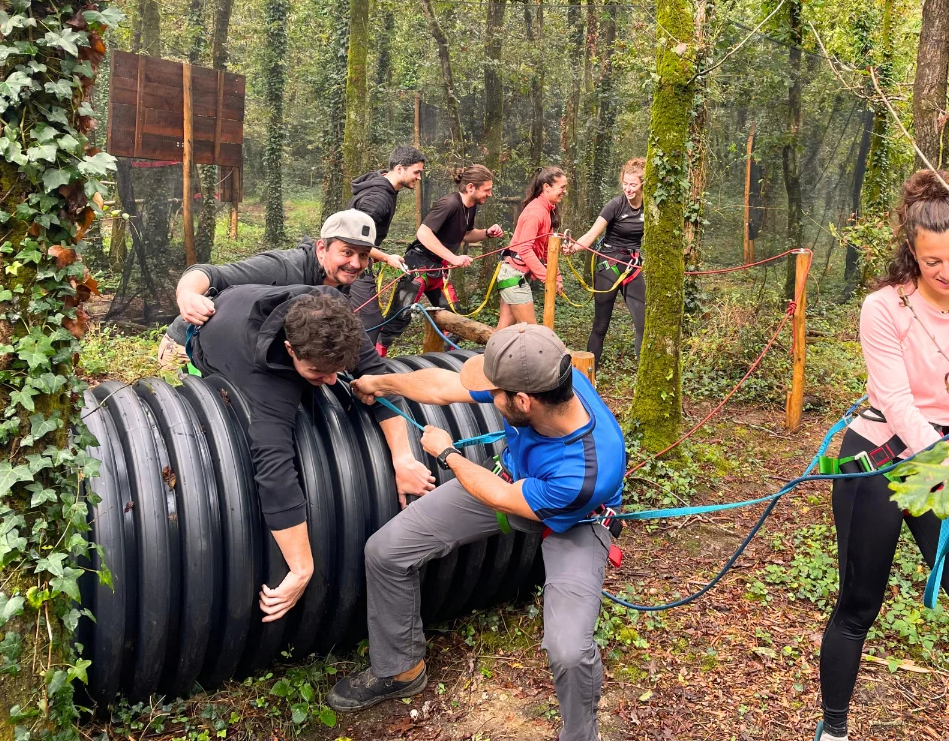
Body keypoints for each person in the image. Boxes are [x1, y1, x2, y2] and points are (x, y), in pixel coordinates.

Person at [328, 324, 625, 741]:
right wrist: (381, 382)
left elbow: (503, 499)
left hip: (576, 519)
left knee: (569, 650)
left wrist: (448, 454)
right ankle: (400, 669)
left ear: (522, 401)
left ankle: (580, 736)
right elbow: (444, 386)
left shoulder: (587, 471)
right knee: (386, 550)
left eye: (495, 392)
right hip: (512, 481)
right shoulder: (543, 379)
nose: (489, 395)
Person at [813, 170, 949, 741]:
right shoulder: (885, 307)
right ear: (912, 251)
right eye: (934, 261)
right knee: (859, 604)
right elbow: (896, 401)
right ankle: (834, 729)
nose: (948, 272)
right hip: (881, 457)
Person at [188, 285, 435, 621]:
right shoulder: (266, 380)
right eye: (319, 372)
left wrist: (402, 458)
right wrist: (301, 567)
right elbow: (274, 470)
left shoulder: (337, 317)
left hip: (249, 302)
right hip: (211, 336)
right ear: (290, 349)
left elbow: (379, 378)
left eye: (337, 371)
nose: (333, 381)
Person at [156, 209, 379, 364]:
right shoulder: (282, 268)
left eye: (363, 255)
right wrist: (187, 294)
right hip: (188, 347)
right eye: (347, 252)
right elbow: (210, 273)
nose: (355, 264)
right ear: (322, 248)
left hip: (249, 348)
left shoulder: (340, 281)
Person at [378, 164, 504, 348]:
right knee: (398, 319)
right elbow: (423, 233)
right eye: (487, 190)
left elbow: (466, 234)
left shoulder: (470, 207)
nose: (490, 194)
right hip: (419, 267)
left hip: (438, 270)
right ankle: (374, 360)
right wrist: (454, 258)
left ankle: (443, 361)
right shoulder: (450, 203)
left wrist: (487, 233)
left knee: (454, 322)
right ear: (471, 187)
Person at [347, 145, 426, 351]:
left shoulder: (382, 183)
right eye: (416, 172)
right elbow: (353, 240)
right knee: (370, 319)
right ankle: (359, 364)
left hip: (356, 258)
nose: (419, 177)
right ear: (399, 168)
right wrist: (385, 257)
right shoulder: (378, 199)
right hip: (349, 261)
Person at [569, 157, 645, 364]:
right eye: (625, 183)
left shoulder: (649, 207)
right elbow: (592, 234)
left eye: (633, 185)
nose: (628, 189)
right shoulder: (615, 205)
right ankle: (589, 374)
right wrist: (574, 248)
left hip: (632, 266)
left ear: (642, 185)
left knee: (643, 324)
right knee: (601, 324)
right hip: (609, 264)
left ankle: (644, 374)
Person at [496, 166, 567, 329]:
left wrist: (557, 276)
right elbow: (525, 250)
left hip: (516, 275)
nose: (564, 191)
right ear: (547, 187)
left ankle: (492, 348)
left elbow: (548, 249)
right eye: (562, 187)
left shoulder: (547, 210)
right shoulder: (535, 212)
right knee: (532, 331)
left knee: (504, 330)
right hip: (513, 276)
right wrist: (548, 279)